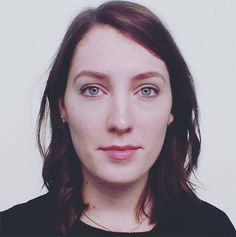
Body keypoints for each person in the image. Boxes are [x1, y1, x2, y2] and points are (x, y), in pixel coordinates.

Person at [0, 1, 235, 236]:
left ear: (173, 107)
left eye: (147, 90)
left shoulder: (214, 229)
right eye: (93, 90)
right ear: (63, 105)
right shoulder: (11, 229)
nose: (121, 122)